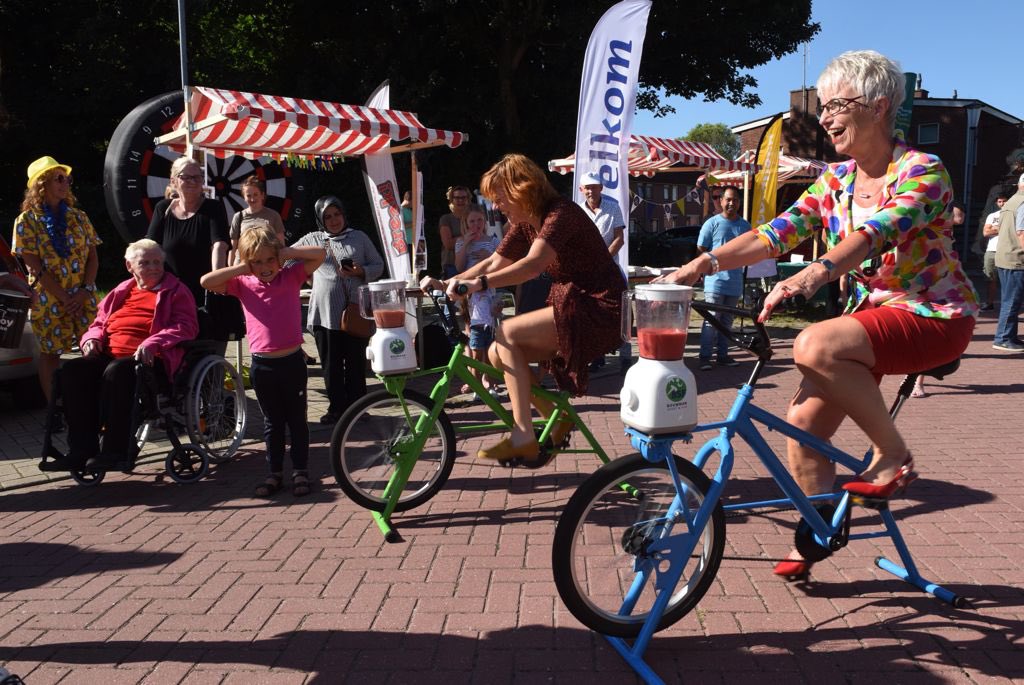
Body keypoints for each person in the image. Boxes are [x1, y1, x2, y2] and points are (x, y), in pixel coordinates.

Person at [654, 50, 978, 579]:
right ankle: (820, 531)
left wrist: (816, 272)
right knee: (802, 428)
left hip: (933, 315)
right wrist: (698, 265)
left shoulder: (924, 170)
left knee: (814, 345)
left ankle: (892, 457)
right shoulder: (835, 181)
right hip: (871, 323)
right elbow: (773, 234)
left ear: (879, 106)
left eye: (837, 105)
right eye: (822, 107)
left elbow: (877, 232)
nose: (825, 117)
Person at [423, 154, 624, 464]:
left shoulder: (561, 213)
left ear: (522, 189)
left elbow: (532, 265)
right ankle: (555, 419)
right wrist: (445, 282)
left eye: (499, 197)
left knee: (507, 333)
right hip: (572, 302)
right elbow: (492, 263)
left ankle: (523, 435)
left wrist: (479, 284)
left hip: (599, 305)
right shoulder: (523, 224)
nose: (495, 206)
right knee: (494, 354)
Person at [201, 226, 325, 497]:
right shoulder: (243, 284)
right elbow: (206, 282)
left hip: (291, 362)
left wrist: (286, 253)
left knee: (297, 420)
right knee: (273, 422)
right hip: (263, 366)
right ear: (248, 263)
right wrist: (241, 268)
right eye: (257, 262)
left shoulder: (290, 276)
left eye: (270, 260)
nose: (265, 266)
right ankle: (275, 473)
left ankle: (300, 471)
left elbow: (320, 254)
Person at [52, 240, 197, 471]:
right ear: (130, 266)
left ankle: (115, 450)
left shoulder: (176, 290)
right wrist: (91, 338)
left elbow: (186, 326)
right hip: (109, 355)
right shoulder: (121, 290)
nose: (153, 267)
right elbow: (99, 323)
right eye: (145, 262)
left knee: (118, 371)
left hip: (150, 360)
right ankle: (81, 450)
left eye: (157, 262)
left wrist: (154, 342)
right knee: (73, 370)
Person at [13, 156, 101, 406]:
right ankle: (55, 411)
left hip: (83, 297)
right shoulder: (26, 221)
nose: (66, 183)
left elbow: (93, 257)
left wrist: (85, 290)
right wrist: (64, 297)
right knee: (51, 353)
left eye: (67, 179)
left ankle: (93, 403)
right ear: (42, 184)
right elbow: (33, 265)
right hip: (50, 299)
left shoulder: (79, 217)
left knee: (93, 348)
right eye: (59, 179)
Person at [292, 196, 385, 424]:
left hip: (355, 313)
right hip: (325, 316)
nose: (333, 220)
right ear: (320, 220)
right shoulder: (313, 239)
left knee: (355, 364)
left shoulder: (360, 237)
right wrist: (301, 275)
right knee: (331, 366)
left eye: (337, 214)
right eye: (327, 216)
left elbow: (379, 265)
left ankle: (358, 409)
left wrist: (360, 271)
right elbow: (287, 258)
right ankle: (336, 410)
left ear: (344, 214)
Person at [146, 157, 230, 340]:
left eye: (197, 177)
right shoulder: (163, 209)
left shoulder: (213, 208)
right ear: (174, 181)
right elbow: (151, 245)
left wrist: (217, 279)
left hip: (202, 291)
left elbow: (219, 245)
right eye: (186, 177)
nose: (192, 182)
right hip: (168, 293)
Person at [577, 171, 631, 373]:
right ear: (582, 190)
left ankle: (625, 357)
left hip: (609, 270)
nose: (591, 191)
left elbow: (619, 238)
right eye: (587, 187)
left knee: (622, 312)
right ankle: (596, 356)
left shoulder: (613, 207)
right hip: (588, 273)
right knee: (591, 313)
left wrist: (603, 258)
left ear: (601, 188)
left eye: (594, 186)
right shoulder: (578, 212)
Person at [695, 186, 749, 371]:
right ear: (721, 201)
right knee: (711, 320)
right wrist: (706, 269)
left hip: (735, 282)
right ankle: (704, 358)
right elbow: (700, 249)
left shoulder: (745, 226)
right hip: (714, 281)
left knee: (727, 321)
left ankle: (723, 356)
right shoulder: (712, 223)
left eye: (734, 200)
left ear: (739, 203)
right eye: (728, 199)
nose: (731, 203)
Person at [454, 205, 501, 396]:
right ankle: (474, 378)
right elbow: (458, 266)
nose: (476, 225)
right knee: (472, 337)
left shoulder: (492, 241)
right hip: (468, 296)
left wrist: (488, 257)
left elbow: (500, 266)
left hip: (488, 293)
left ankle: (488, 378)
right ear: (466, 224)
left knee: (489, 336)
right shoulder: (460, 242)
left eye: (479, 221)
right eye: (472, 221)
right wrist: (465, 244)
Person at [993, 174, 1024, 352]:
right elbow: (1022, 233)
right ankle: (1003, 337)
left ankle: (1008, 336)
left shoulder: (1012, 201)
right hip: (1016, 258)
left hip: (1005, 255)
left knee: (1010, 300)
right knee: (1012, 301)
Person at [229, 175, 286, 264]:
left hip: (266, 265)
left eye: (255, 194)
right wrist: (230, 270)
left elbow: (281, 245)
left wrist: (281, 266)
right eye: (248, 195)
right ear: (244, 197)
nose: (252, 199)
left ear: (262, 195)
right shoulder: (238, 217)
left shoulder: (274, 215)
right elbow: (233, 247)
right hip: (243, 265)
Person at [980, 192, 1008, 312]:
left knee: (1006, 280)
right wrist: (1002, 228)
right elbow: (986, 232)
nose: (1001, 204)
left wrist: (994, 228)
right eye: (999, 201)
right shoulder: (992, 215)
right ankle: (989, 303)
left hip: (1005, 250)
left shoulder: (1013, 214)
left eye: (1004, 201)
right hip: (991, 250)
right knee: (990, 278)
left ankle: (1007, 305)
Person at [438, 185, 471, 278]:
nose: (460, 200)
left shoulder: (475, 218)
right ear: (452, 200)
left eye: (463, 197)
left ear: (468, 199)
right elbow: (448, 244)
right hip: (451, 265)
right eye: (457, 198)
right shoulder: (446, 219)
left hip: (472, 263)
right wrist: (469, 237)